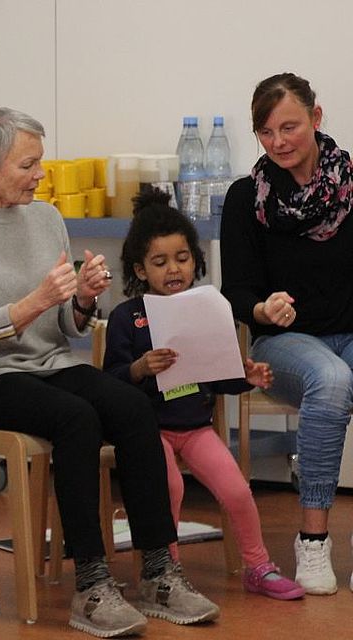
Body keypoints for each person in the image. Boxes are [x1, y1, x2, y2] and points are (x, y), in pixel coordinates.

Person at [0, 107, 219, 638]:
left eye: (39, 162)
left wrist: (81, 299)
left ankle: (158, 572)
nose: (40, 175)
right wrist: (37, 300)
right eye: (27, 165)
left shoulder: (45, 217)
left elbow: (65, 323)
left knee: (132, 406)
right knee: (76, 418)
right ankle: (92, 583)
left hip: (49, 363)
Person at [103, 189, 305, 601]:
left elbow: (219, 376)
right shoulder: (127, 317)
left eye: (182, 258)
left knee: (237, 490)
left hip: (195, 427)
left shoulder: (208, 307)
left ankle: (258, 566)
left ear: (195, 260)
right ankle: (166, 572)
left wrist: (247, 375)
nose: (173, 269)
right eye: (160, 262)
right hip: (148, 431)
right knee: (170, 487)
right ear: (140, 269)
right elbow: (111, 382)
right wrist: (141, 367)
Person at [221, 72, 353, 596]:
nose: (277, 142)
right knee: (332, 379)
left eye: (289, 127)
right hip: (282, 344)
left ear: (316, 118)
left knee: (338, 371)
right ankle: (312, 541)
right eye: (265, 132)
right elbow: (236, 293)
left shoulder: (351, 187)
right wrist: (262, 308)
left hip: (348, 334)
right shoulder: (245, 198)